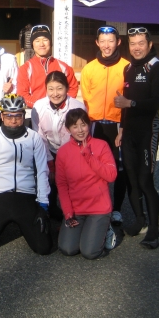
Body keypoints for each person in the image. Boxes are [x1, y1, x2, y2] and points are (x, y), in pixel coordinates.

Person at [0, 94, 52, 255]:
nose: (13, 120)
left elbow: (42, 172)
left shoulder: (34, 138)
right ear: (2, 116)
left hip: (26, 196)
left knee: (44, 248)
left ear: (23, 116)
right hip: (0, 196)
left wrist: (43, 206)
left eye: (18, 116)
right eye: (9, 116)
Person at [114, 26, 159, 249]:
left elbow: (156, 102)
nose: (136, 48)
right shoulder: (128, 68)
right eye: (133, 44)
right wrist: (120, 129)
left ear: (150, 44)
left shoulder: (157, 68)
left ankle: (154, 232)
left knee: (146, 180)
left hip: (148, 130)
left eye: (141, 43)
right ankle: (140, 219)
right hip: (129, 131)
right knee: (131, 178)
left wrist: (130, 104)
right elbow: (124, 101)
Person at [80, 25, 131, 226]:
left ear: (118, 42)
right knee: (93, 167)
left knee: (119, 168)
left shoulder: (127, 67)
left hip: (118, 123)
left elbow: (130, 99)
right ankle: (94, 206)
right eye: (103, 41)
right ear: (97, 43)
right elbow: (85, 98)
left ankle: (117, 209)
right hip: (94, 124)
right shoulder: (89, 68)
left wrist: (124, 127)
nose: (107, 45)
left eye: (111, 40)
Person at [56, 108, 118, 259]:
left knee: (90, 252)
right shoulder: (63, 152)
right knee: (68, 249)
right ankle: (89, 231)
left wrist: (89, 157)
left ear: (89, 125)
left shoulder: (101, 145)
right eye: (75, 126)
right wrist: (68, 213)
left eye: (83, 125)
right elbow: (62, 186)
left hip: (98, 207)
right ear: (68, 129)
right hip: (76, 209)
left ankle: (106, 229)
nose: (80, 130)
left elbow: (111, 176)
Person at [31, 71, 86, 220]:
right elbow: (39, 134)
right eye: (51, 88)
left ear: (67, 89)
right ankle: (51, 209)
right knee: (50, 180)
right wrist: (50, 161)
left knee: (70, 182)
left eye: (59, 88)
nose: (55, 93)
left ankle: (75, 212)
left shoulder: (77, 107)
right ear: (46, 89)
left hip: (71, 150)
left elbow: (82, 135)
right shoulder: (38, 106)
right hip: (48, 148)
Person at [16, 24, 79, 109]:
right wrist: (43, 106)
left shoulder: (64, 67)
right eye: (37, 40)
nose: (41, 44)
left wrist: (60, 104)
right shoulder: (25, 68)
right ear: (32, 44)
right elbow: (22, 94)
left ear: (50, 42)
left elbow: (72, 88)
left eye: (45, 39)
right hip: (35, 113)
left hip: (61, 112)